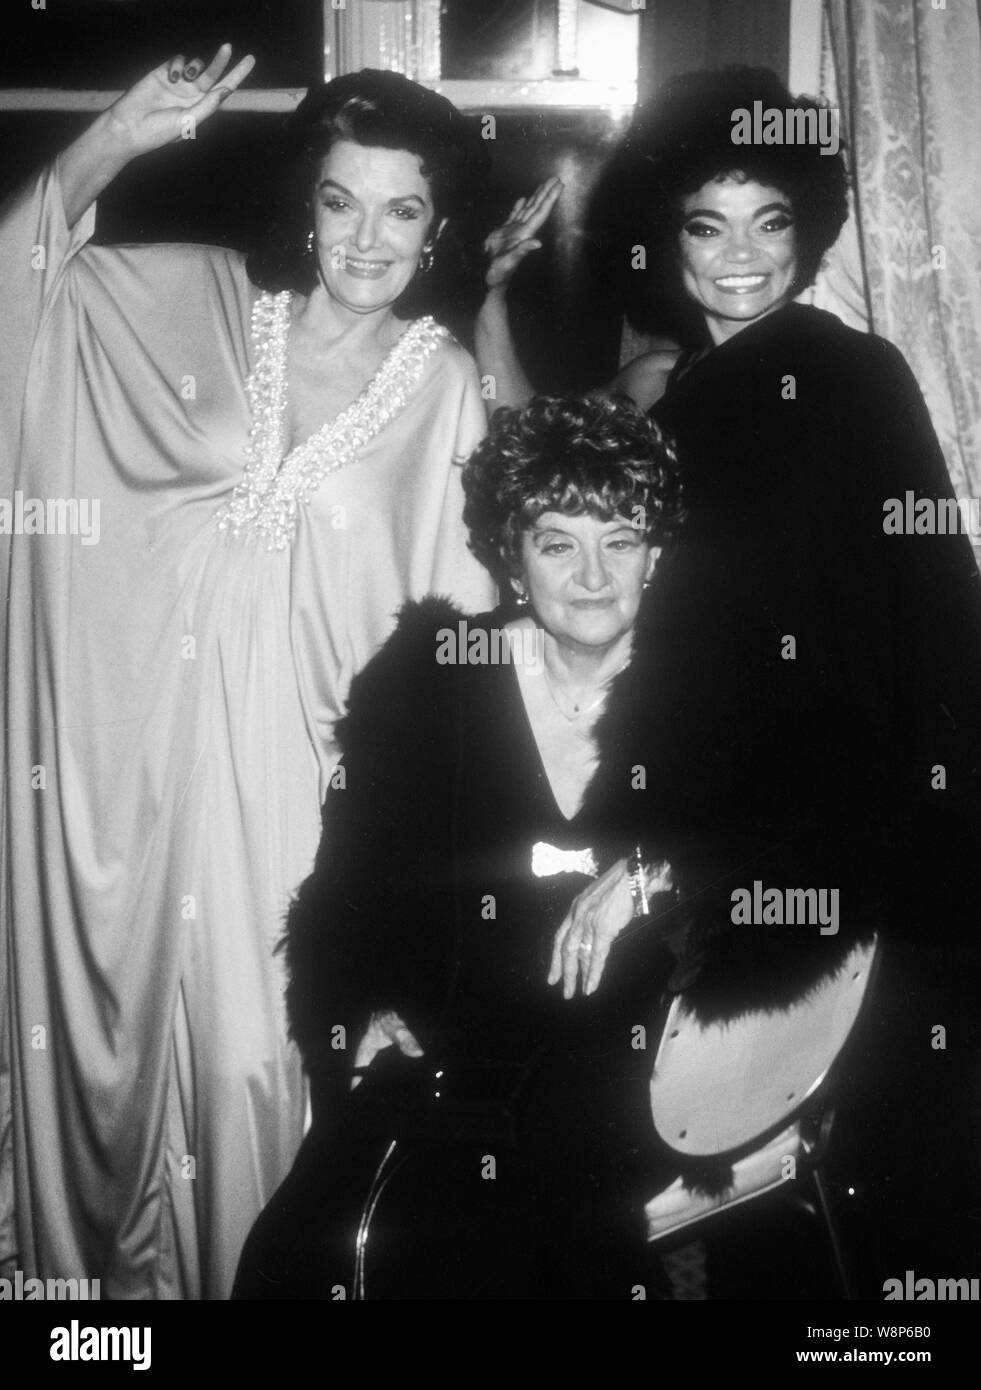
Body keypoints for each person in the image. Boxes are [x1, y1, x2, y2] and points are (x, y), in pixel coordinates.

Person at [0, 46, 496, 1299]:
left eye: (403, 208)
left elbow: (465, 646)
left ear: (438, 230)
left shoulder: (442, 389)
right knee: (99, 1062)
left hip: (298, 807)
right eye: (342, 199)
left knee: (248, 1073)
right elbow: (30, 295)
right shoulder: (206, 299)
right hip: (128, 774)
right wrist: (114, 137)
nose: (367, 237)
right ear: (305, 203)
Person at [476, 67, 981, 1274]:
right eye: (709, 224)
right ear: (668, 235)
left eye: (771, 222)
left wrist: (661, 854)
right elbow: (556, 483)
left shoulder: (852, 378)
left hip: (859, 873)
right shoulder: (687, 401)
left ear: (806, 233)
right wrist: (489, 309)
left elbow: (916, 641)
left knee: (856, 1226)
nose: (742, 258)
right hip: (764, 858)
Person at [232, 392, 877, 1301]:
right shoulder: (429, 685)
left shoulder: (731, 684)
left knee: (515, 1252)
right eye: (557, 542)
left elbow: (837, 848)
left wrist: (660, 875)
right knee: (299, 1252)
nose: (591, 576)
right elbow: (349, 891)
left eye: (619, 541)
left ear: (655, 557)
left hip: (636, 1065)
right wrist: (360, 1009)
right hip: (454, 1061)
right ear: (511, 556)